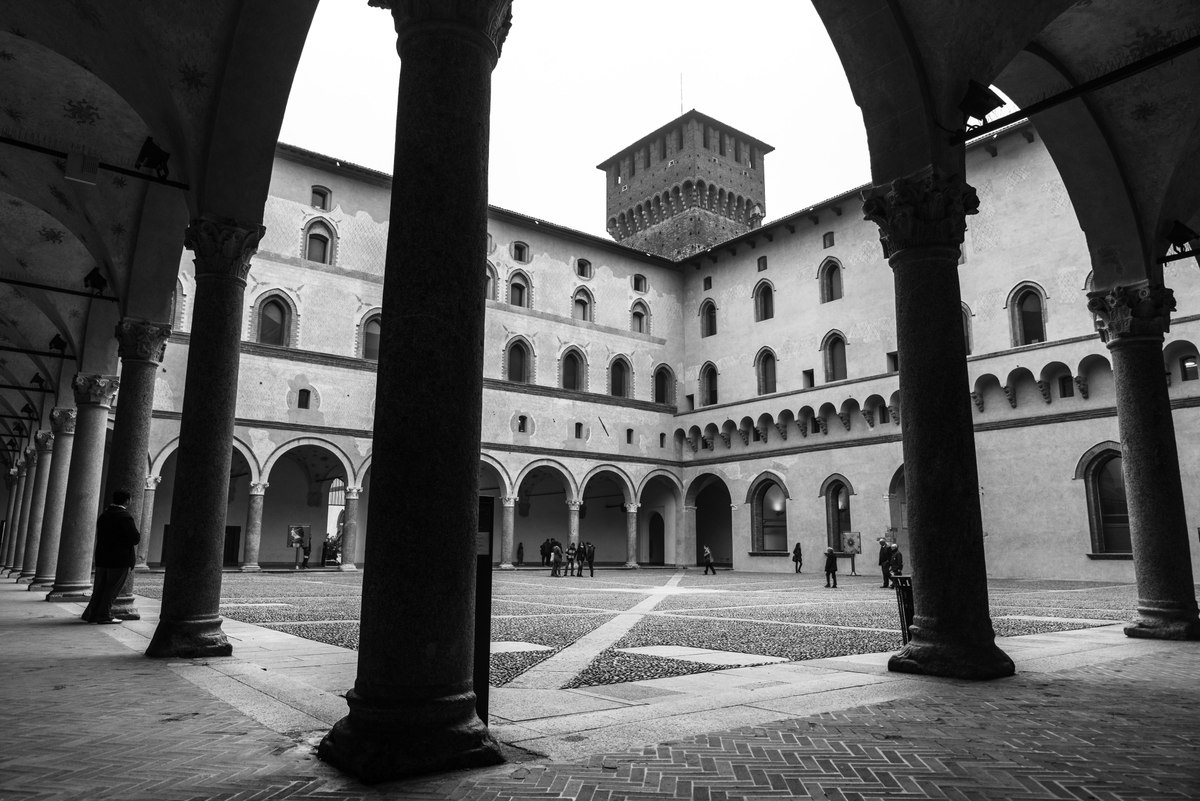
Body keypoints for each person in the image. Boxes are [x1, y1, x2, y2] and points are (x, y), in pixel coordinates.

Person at [81, 490, 141, 624]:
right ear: (127, 501)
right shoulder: (124, 516)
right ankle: (104, 615)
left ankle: (91, 614)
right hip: (119, 559)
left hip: (103, 557)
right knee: (111, 589)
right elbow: (135, 538)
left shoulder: (104, 515)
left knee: (100, 588)